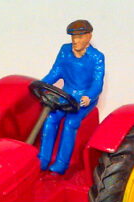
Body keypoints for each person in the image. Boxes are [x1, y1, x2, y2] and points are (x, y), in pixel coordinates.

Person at [37, 19, 105, 174]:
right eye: (73, 37)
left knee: (70, 122)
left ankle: (61, 164)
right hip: (66, 93)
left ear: (89, 36)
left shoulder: (97, 57)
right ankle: (43, 159)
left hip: (84, 98)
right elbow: (56, 71)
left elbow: (97, 83)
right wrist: (42, 84)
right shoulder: (65, 50)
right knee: (51, 118)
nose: (75, 40)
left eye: (80, 37)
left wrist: (89, 96)